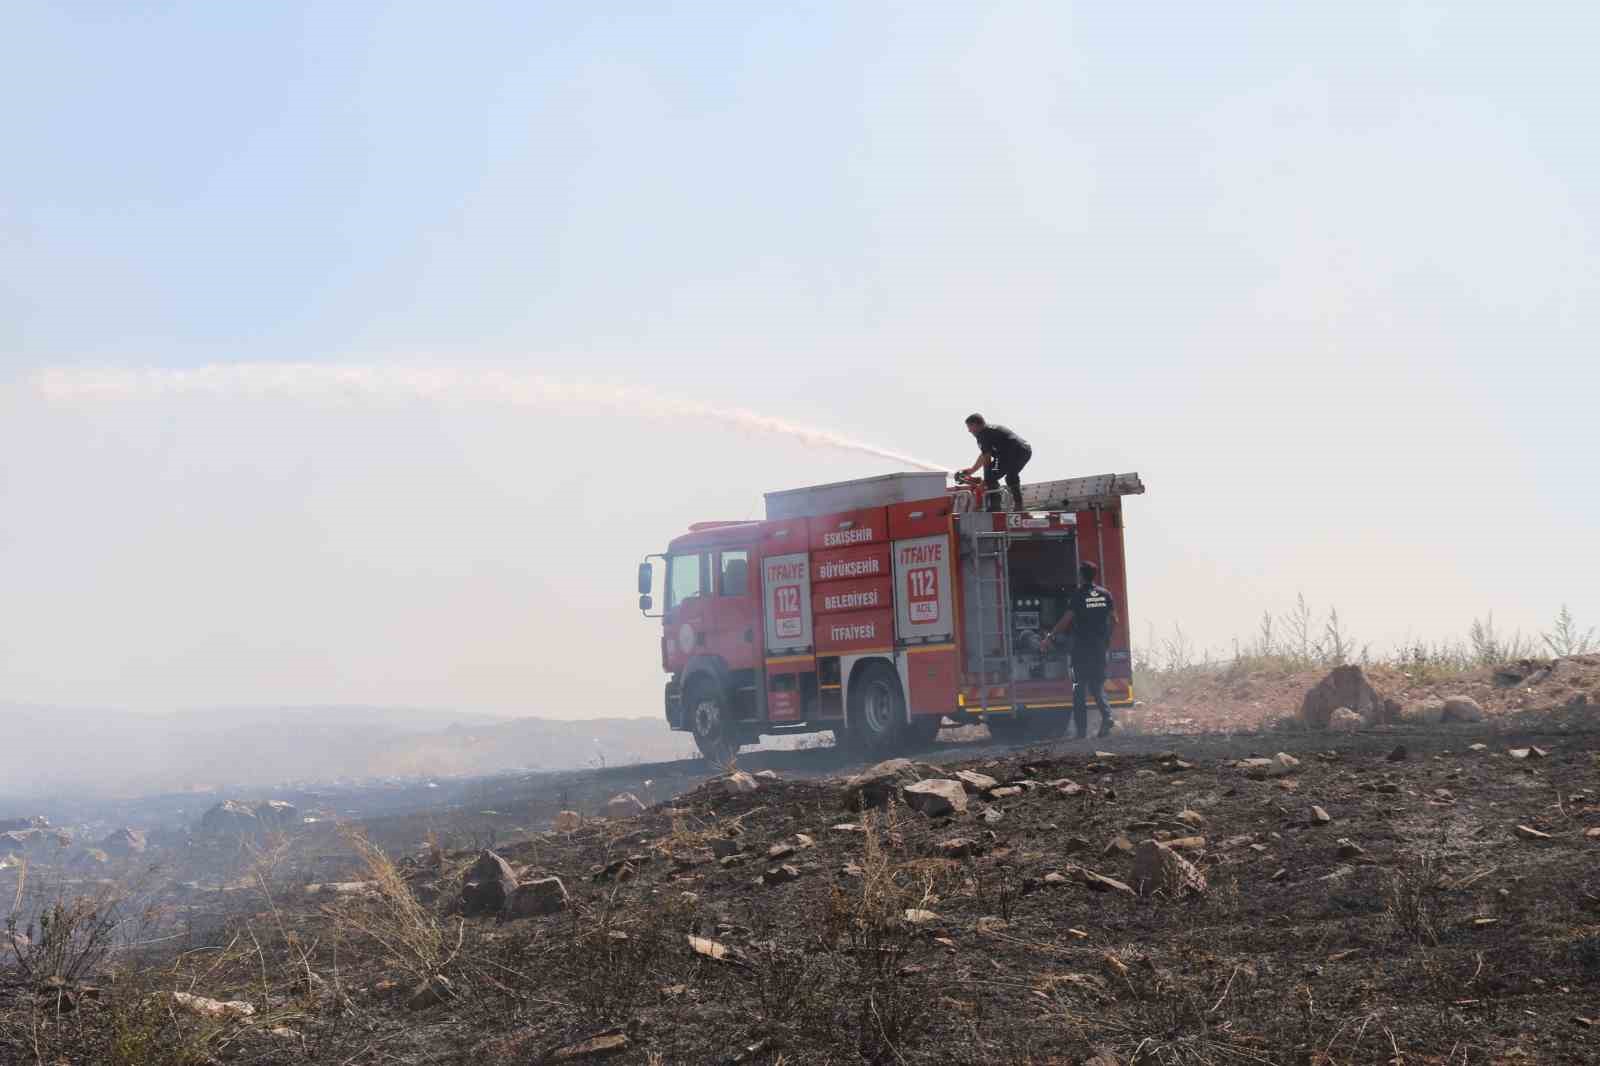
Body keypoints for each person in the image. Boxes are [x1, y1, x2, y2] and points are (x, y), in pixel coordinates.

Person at [1040, 561, 1118, 738]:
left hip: (1081, 649)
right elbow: (1114, 620)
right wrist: (1105, 640)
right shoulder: (1105, 594)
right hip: (1099, 647)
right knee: (1097, 686)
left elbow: (1066, 620)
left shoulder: (1078, 596)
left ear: (1081, 576)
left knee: (1078, 688)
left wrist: (1050, 637)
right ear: (1094, 575)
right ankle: (1107, 716)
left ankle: (1081, 732)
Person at [957, 413, 1032, 512]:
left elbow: (987, 459)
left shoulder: (983, 434)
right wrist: (972, 470)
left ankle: (995, 507)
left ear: (975, 425)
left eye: (970, 427)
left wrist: (985, 482)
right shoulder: (988, 430)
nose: (969, 431)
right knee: (1009, 476)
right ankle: (1017, 505)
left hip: (1014, 453)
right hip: (1023, 450)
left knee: (993, 476)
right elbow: (984, 454)